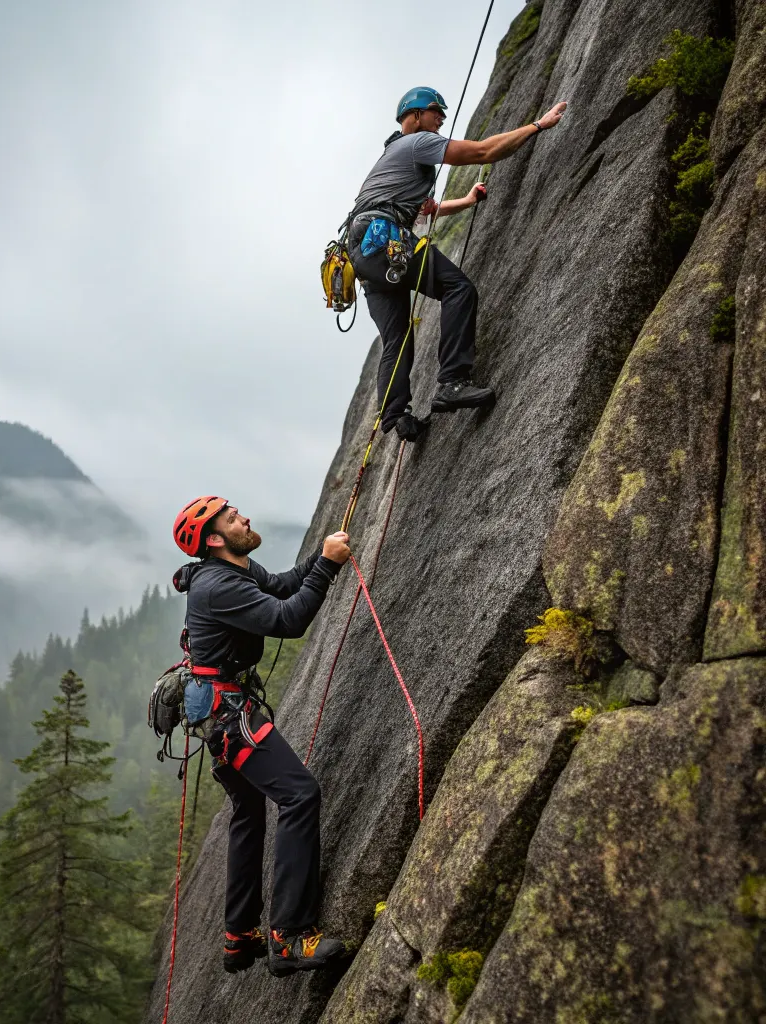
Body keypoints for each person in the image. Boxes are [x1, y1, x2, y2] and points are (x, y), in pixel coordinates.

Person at [171, 495, 352, 977]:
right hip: (229, 714)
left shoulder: (237, 568)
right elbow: (287, 621)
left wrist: (321, 556)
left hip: (219, 707)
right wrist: (329, 570)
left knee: (249, 811)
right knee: (299, 795)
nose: (244, 517)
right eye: (232, 518)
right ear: (213, 539)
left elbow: (282, 586)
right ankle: (289, 937)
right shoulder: (216, 586)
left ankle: (239, 936)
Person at [347, 86, 568, 440]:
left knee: (397, 337)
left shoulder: (393, 161)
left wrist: (466, 200)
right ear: (416, 115)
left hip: (362, 253)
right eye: (436, 112)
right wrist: (537, 126)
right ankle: (452, 382)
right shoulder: (418, 143)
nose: (442, 119)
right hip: (384, 238)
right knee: (458, 288)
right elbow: (483, 151)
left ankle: (395, 417)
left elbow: (429, 210)